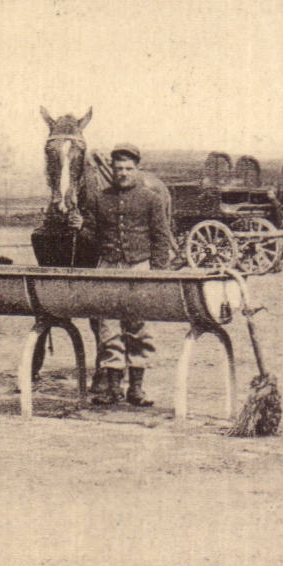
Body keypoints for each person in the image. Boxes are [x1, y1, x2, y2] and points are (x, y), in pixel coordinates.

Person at [68, 143, 174, 407]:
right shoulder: (100, 199)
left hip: (139, 268)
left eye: (128, 168)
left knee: (138, 327)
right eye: (119, 169)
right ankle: (113, 388)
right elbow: (93, 238)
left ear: (137, 169)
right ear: (112, 170)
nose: (123, 173)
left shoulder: (151, 199)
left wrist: (158, 274)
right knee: (108, 328)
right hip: (108, 268)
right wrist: (82, 228)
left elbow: (161, 239)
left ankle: (136, 389)